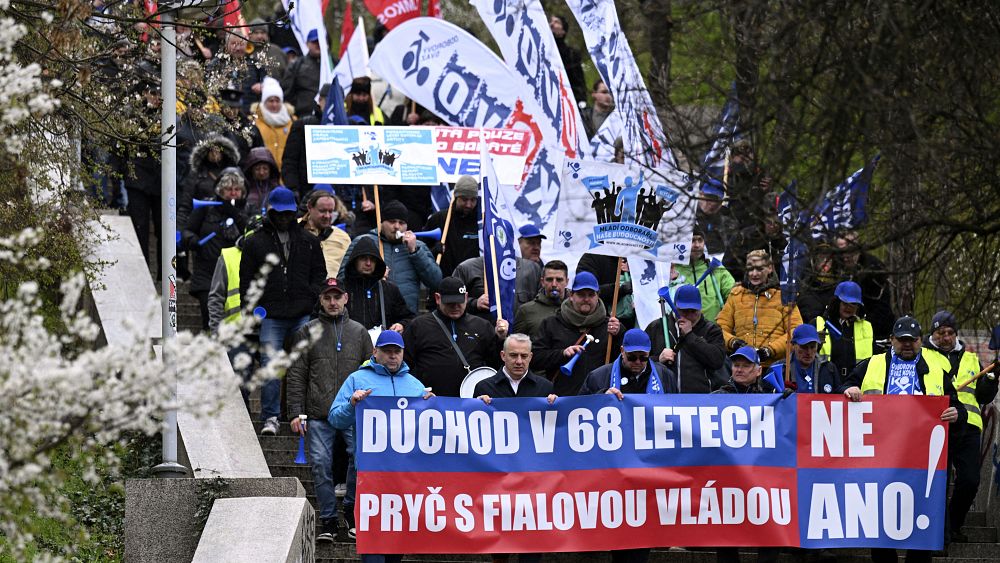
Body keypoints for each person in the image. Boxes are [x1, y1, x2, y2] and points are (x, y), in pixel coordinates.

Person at [841, 316, 963, 563]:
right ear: (892, 341)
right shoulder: (871, 364)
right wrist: (849, 390)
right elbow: (847, 385)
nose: (907, 345)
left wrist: (956, 413)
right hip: (881, 458)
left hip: (922, 461)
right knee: (881, 519)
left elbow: (956, 405)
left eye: (912, 340)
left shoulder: (937, 368)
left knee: (921, 517)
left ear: (921, 341)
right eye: (902, 340)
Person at [328, 330, 435, 549]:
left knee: (396, 543)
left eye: (397, 351)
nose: (393, 356)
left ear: (403, 353)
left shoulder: (415, 385)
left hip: (403, 476)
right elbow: (335, 419)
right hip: (370, 474)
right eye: (387, 351)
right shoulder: (357, 379)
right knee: (373, 544)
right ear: (375, 352)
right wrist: (352, 404)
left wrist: (432, 407)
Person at [580, 329, 676, 563]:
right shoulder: (599, 377)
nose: (638, 363)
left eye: (643, 358)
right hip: (610, 467)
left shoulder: (664, 376)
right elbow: (578, 415)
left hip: (648, 466)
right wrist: (602, 397)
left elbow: (677, 414)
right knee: (613, 529)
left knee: (640, 531)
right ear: (621, 351)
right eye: (632, 357)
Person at [286, 277, 372, 542]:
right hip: (318, 412)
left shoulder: (359, 332)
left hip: (351, 412)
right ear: (321, 300)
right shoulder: (307, 331)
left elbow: (371, 372)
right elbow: (296, 374)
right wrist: (294, 412)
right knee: (321, 464)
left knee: (360, 460)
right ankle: (329, 520)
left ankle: (350, 509)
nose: (333, 302)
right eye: (327, 297)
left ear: (346, 298)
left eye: (337, 297)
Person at [240, 187, 326, 436]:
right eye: (279, 213)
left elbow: (319, 275)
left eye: (288, 213)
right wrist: (255, 308)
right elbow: (247, 280)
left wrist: (311, 298)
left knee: (305, 364)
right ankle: (270, 417)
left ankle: (303, 414)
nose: (284, 217)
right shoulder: (255, 241)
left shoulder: (309, 241)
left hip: (301, 311)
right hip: (271, 313)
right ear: (270, 212)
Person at [923, 311, 998, 543]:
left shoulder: (971, 359)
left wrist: (991, 380)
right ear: (932, 334)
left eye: (949, 333)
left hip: (968, 428)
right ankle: (939, 531)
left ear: (955, 334)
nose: (945, 338)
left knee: (970, 480)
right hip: (935, 427)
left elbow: (983, 396)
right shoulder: (922, 356)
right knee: (938, 482)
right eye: (940, 333)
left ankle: (954, 524)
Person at [712, 346, 780, 563]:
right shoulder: (716, 397)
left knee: (769, 533)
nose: (739, 369)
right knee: (727, 536)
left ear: (759, 370)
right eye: (736, 365)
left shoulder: (773, 397)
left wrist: (789, 404)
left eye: (746, 365)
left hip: (762, 478)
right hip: (729, 478)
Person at [403, 277, 507, 397]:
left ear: (466, 297)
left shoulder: (482, 326)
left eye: (459, 302)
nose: (455, 307)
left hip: (474, 402)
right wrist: (417, 391)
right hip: (430, 401)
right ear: (437, 298)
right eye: (450, 303)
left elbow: (497, 363)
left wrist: (501, 340)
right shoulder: (418, 326)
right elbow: (405, 365)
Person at [339, 200, 442, 314]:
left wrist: (415, 252)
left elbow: (436, 282)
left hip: (405, 317)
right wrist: (373, 276)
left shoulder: (418, 246)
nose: (397, 226)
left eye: (401, 222)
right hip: (369, 314)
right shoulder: (363, 242)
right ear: (381, 222)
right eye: (392, 221)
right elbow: (342, 279)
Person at [532, 272, 623, 396]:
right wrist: (561, 354)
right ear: (571, 295)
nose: (586, 299)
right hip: (562, 399)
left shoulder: (611, 326)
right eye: (581, 295)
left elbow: (625, 361)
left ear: (598, 296)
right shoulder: (551, 324)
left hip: (599, 398)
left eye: (591, 295)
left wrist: (619, 335)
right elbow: (535, 358)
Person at [181, 167, 249, 331]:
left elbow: (251, 233)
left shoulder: (248, 209)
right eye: (228, 189)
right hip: (207, 271)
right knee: (209, 313)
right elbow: (187, 230)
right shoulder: (206, 207)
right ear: (220, 190)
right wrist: (194, 241)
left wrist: (235, 215)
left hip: (237, 274)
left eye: (237, 189)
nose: (233, 193)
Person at [716, 250, 802, 368]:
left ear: (770, 268)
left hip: (775, 367)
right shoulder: (736, 295)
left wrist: (770, 350)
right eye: (750, 269)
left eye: (759, 269)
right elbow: (719, 329)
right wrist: (733, 342)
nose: (754, 273)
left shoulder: (783, 296)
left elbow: (795, 332)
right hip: (743, 366)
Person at [645, 285, 728, 393]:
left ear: (700, 308)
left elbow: (717, 361)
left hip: (700, 400)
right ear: (675, 307)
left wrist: (690, 335)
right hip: (664, 401)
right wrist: (658, 359)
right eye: (684, 311)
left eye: (693, 311)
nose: (689, 315)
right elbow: (637, 362)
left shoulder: (712, 329)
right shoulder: (657, 327)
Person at [339, 235, 414, 332]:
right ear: (355, 261)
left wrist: (401, 325)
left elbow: (408, 318)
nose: (368, 263)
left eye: (372, 259)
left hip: (381, 345)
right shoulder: (340, 288)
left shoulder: (389, 289)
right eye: (363, 258)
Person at [834, 230, 895, 339]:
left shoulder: (873, 268)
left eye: (849, 250)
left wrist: (862, 325)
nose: (845, 256)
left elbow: (881, 308)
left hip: (875, 331)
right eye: (841, 251)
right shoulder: (838, 268)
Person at [668, 226, 735, 322]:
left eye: (700, 240)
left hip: (712, 331)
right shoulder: (672, 270)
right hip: (681, 331)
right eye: (692, 240)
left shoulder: (716, 269)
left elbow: (733, 296)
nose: (697, 245)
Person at [178, 134, 241, 233]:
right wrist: (180, 231)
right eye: (211, 150)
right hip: (203, 223)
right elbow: (186, 205)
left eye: (218, 150)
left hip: (231, 223)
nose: (215, 153)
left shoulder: (233, 172)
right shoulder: (196, 173)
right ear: (205, 152)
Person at [452, 255, 541, 323]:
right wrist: (475, 303)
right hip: (482, 337)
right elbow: (451, 301)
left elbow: (541, 305)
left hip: (519, 338)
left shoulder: (532, 269)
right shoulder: (467, 268)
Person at [815, 281, 875, 380]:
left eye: (853, 304)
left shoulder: (867, 327)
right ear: (836, 303)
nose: (849, 308)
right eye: (845, 303)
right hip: (826, 384)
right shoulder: (818, 323)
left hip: (856, 386)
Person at [423, 175, 480, 276]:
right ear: (455, 197)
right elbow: (421, 252)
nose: (469, 204)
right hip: (444, 283)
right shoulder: (439, 219)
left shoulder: (481, 223)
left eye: (473, 200)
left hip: (473, 283)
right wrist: (434, 251)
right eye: (464, 199)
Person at [474, 333, 555, 402]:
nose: (519, 361)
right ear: (503, 356)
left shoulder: (545, 387)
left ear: (530, 357)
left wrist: (556, 405)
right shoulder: (484, 388)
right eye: (513, 355)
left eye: (524, 356)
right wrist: (477, 406)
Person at [766, 324, 840, 393]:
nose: (809, 352)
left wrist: (847, 389)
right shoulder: (779, 369)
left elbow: (839, 394)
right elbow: (765, 398)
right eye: (804, 347)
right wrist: (779, 394)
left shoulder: (829, 368)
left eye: (812, 347)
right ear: (793, 345)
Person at [300, 190, 352, 277]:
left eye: (330, 211)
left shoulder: (343, 237)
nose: (327, 216)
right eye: (322, 211)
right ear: (309, 207)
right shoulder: (294, 230)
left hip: (334, 288)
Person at [513, 260, 569, 339]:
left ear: (567, 281)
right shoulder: (526, 311)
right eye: (549, 279)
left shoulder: (576, 308)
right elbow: (515, 344)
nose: (554, 284)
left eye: (559, 280)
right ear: (542, 282)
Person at [250, 76, 295, 171]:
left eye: (277, 100)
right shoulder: (253, 122)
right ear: (264, 101)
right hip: (265, 175)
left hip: (287, 175)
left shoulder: (293, 121)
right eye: (271, 101)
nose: (274, 104)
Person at [280, 28, 323, 117]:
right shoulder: (297, 65)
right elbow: (287, 91)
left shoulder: (332, 64)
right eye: (315, 42)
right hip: (303, 115)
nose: (318, 45)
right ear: (307, 44)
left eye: (320, 41)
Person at [548, 14, 586, 104]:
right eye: (551, 21)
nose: (551, 24)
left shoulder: (571, 54)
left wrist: (581, 101)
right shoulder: (540, 49)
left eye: (556, 22)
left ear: (563, 31)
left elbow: (578, 82)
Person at [696, 179, 737, 259]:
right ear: (700, 194)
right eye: (709, 198)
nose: (713, 204)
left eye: (717, 200)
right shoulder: (688, 216)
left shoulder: (727, 218)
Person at [241, 146, 281, 215]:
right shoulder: (243, 190)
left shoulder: (278, 190)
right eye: (257, 169)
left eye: (265, 168)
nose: (261, 172)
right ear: (251, 170)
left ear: (270, 169)